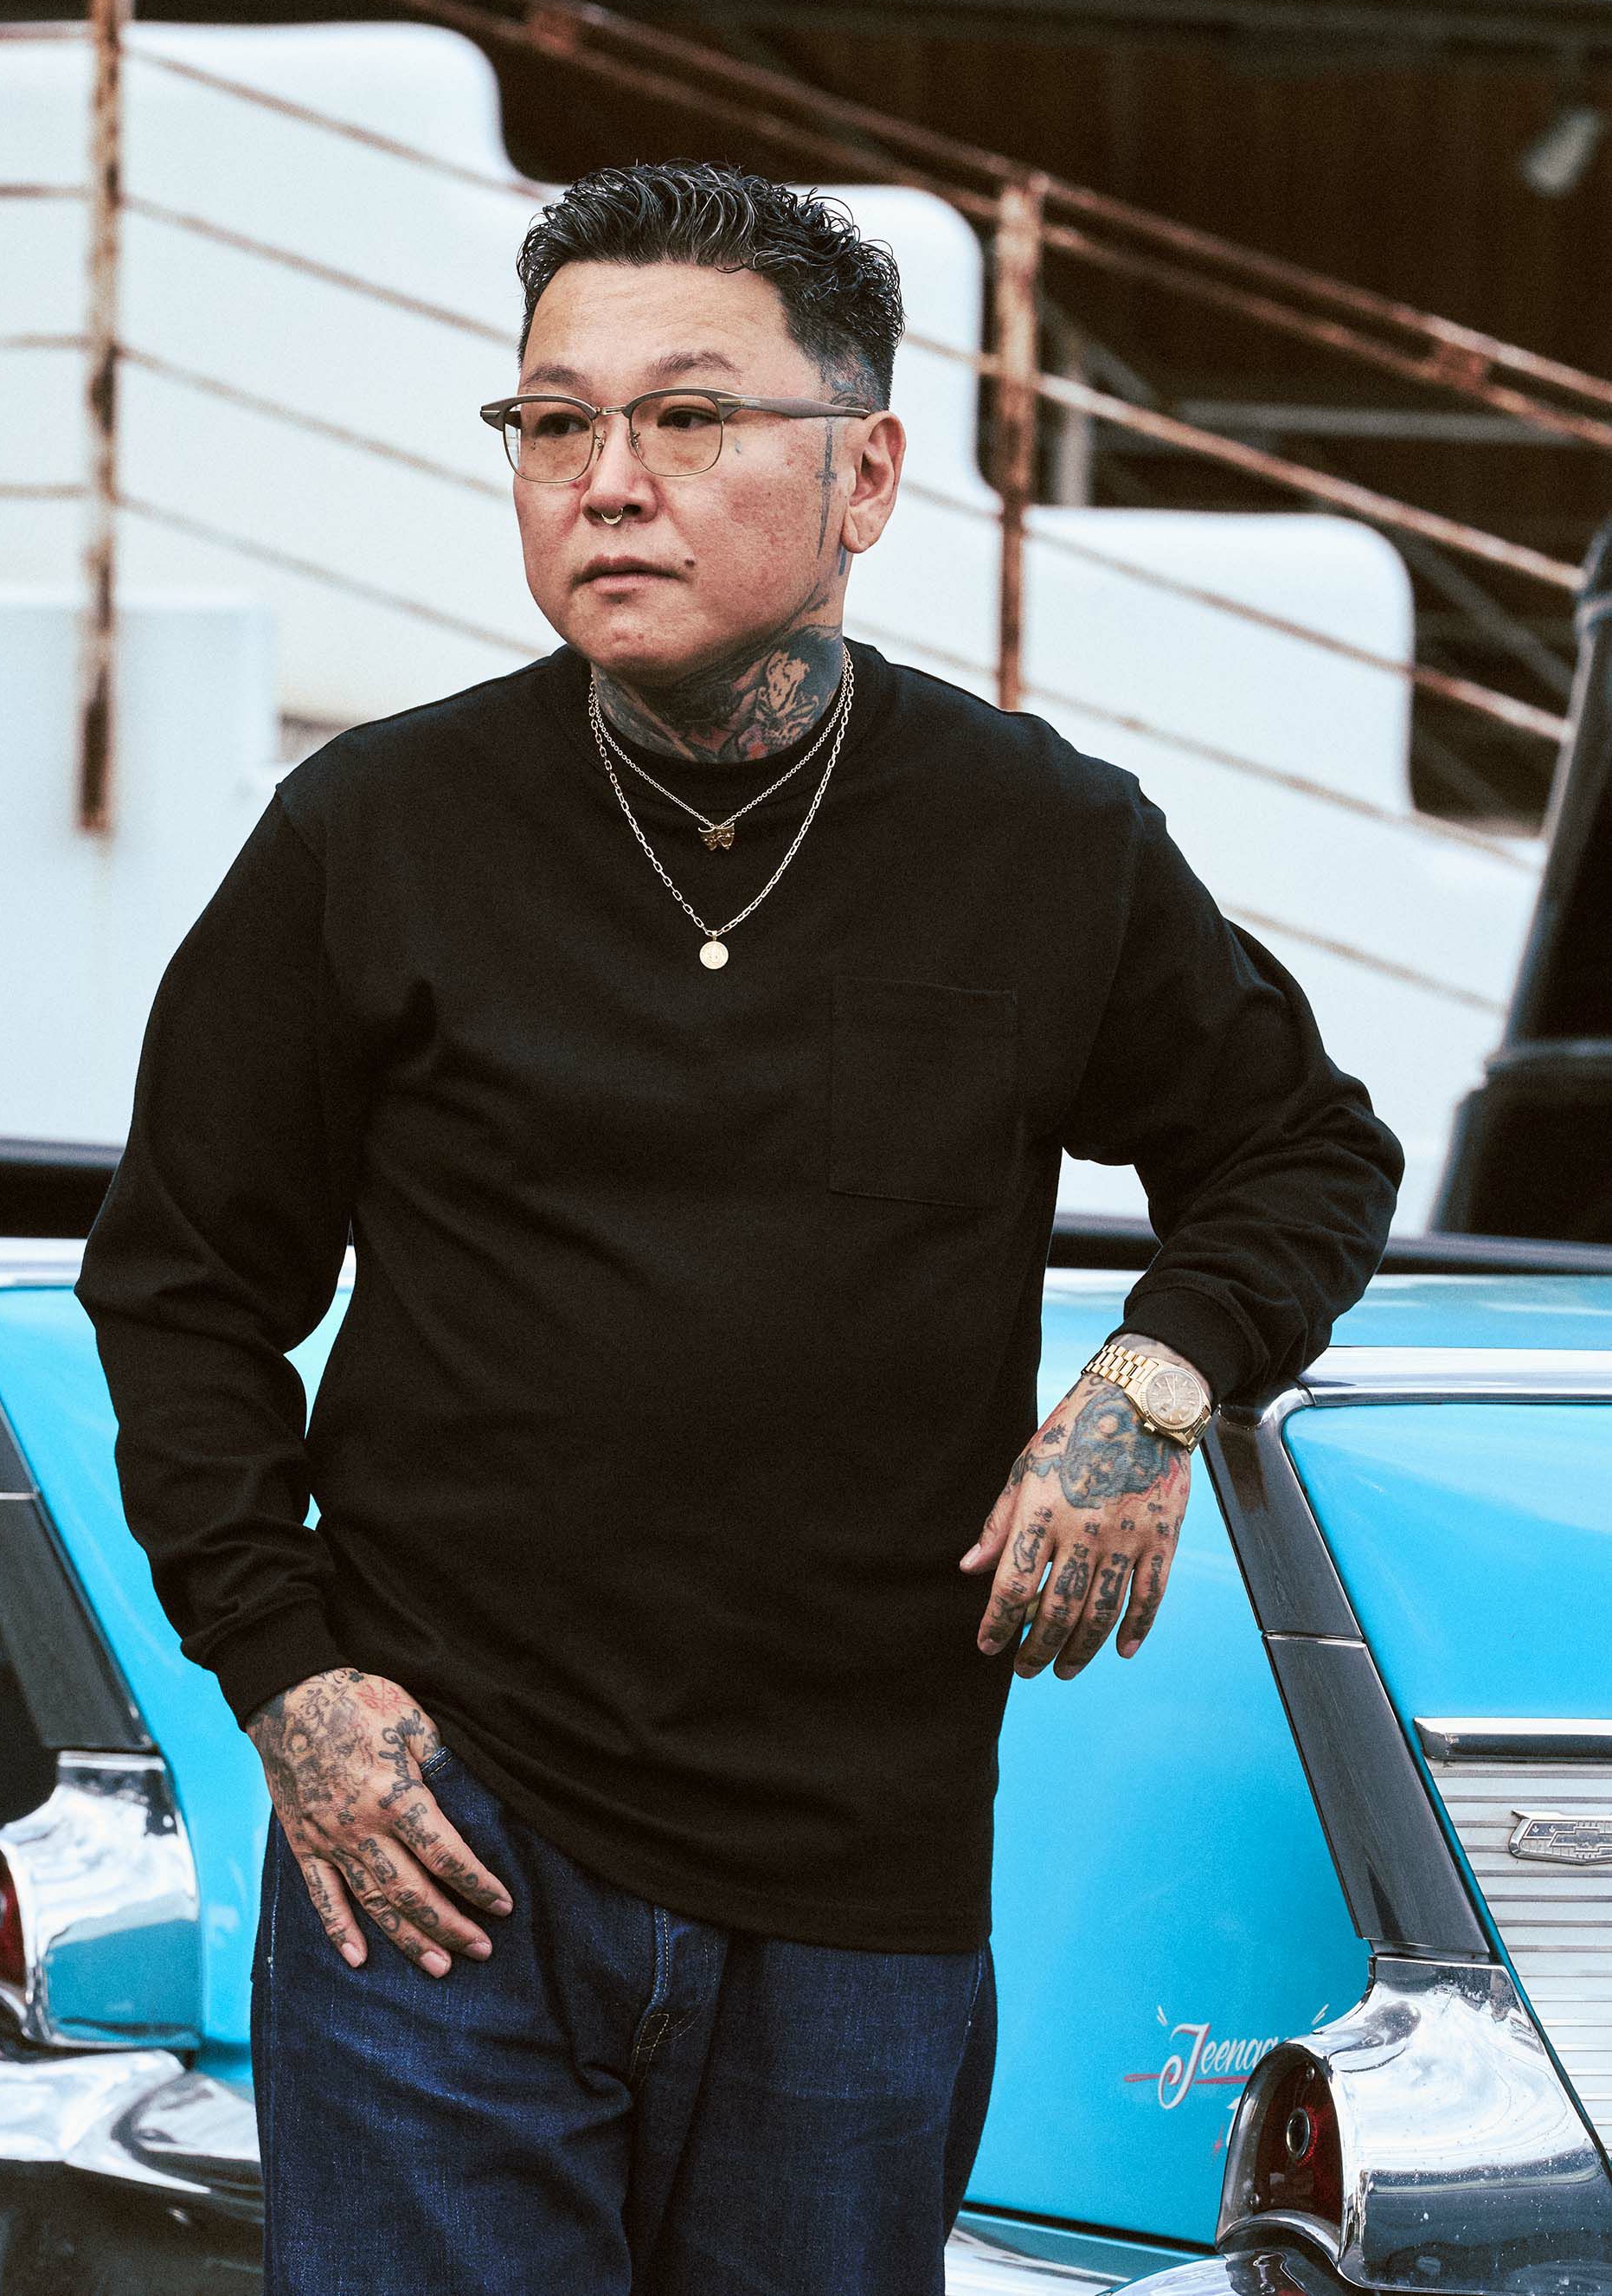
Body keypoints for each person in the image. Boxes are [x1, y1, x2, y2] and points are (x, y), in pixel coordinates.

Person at [73, 159, 1403, 2296]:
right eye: (551, 422)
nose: (605, 480)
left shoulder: (1035, 840)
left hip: (855, 1868)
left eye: (687, 417)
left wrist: (1149, 1385)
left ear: (864, 475)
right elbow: (180, 1282)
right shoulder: (370, 833)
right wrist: (288, 1674)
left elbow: (1301, 1148)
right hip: (444, 1841)